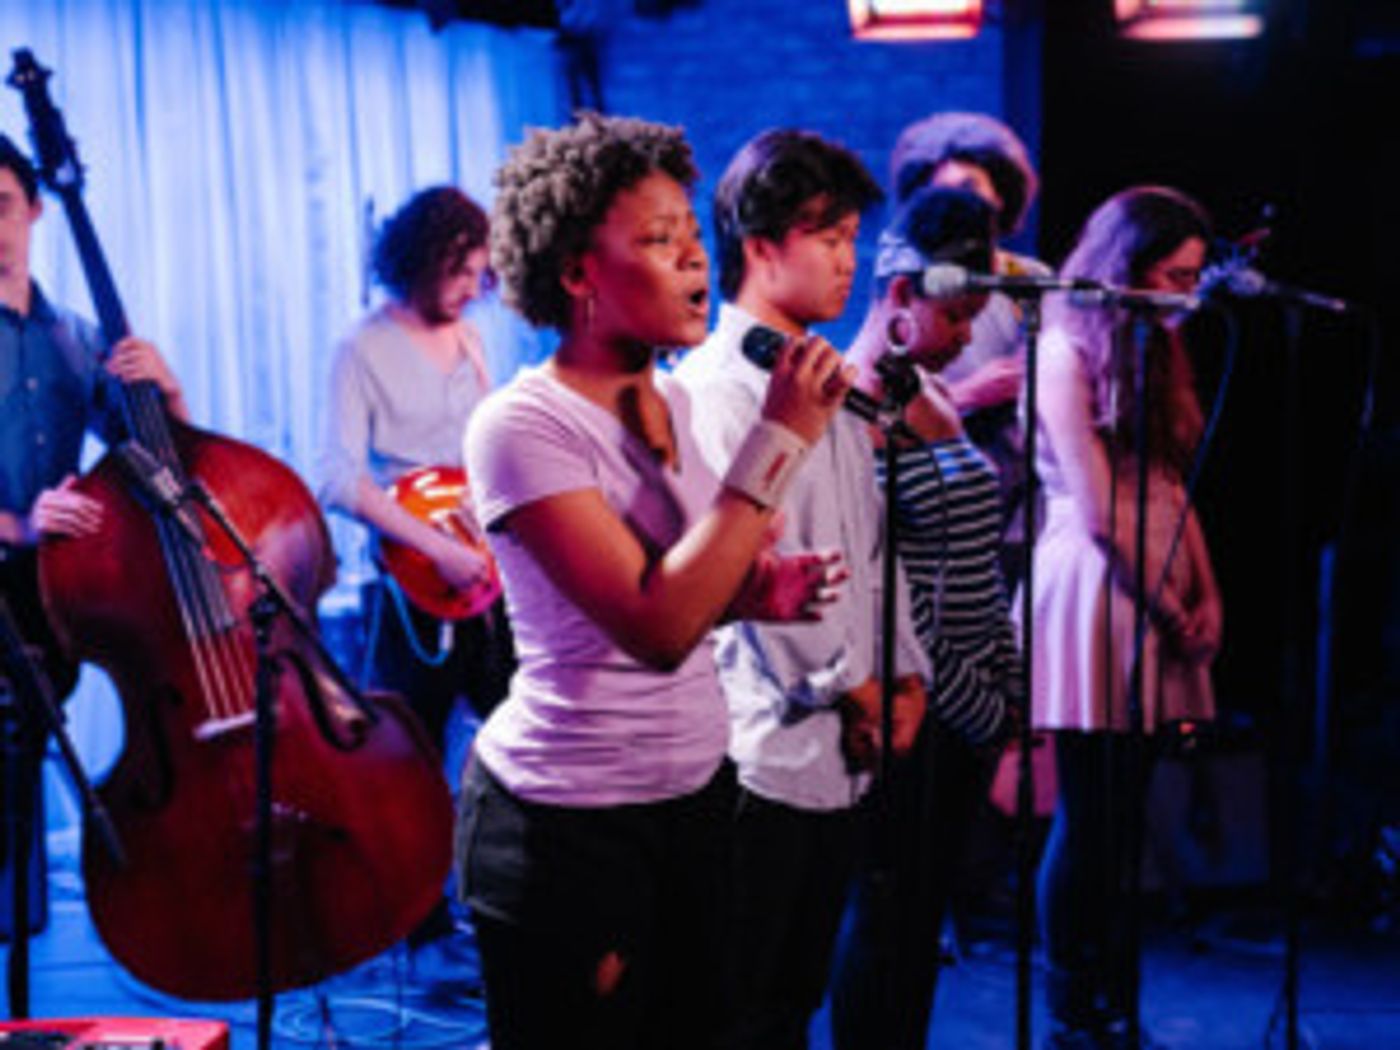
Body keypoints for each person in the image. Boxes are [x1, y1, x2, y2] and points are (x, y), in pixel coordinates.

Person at [456, 111, 850, 1050]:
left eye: (689, 236)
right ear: (578, 271)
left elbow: (681, 587)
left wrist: (751, 596)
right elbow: (655, 623)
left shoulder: (669, 396)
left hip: (692, 799)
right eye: (657, 240)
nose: (692, 262)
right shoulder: (521, 425)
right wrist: (780, 437)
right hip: (568, 826)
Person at [673, 128, 929, 1050]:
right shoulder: (714, 387)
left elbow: (867, 542)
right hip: (759, 746)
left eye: (853, 238)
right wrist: (853, 687)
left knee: (798, 995)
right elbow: (750, 574)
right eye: (827, 237)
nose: (846, 261)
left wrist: (906, 679)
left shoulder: (832, 379)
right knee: (743, 1008)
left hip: (847, 740)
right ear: (760, 242)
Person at [1028, 186, 1223, 1049]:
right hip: (1101, 580)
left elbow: (1175, 481)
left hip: (1161, 572)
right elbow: (1103, 508)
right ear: (1125, 270)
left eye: (1193, 277)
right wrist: (1171, 606)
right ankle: (1076, 1000)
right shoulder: (1066, 349)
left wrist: (1207, 590)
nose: (1186, 294)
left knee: (1130, 804)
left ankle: (1117, 996)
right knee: (1092, 807)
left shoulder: (1159, 346)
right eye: (1172, 276)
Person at [829, 186, 1023, 1049]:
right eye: (958, 314)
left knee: (921, 918)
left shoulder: (935, 396)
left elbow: (973, 559)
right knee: (889, 911)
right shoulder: (848, 405)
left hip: (970, 699)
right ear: (902, 294)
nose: (965, 337)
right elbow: (878, 578)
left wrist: (1002, 684)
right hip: (914, 697)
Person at [318, 185, 517, 962]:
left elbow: (490, 444)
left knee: (513, 731)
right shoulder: (359, 347)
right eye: (461, 272)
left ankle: (500, 898)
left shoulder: (470, 338)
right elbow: (338, 478)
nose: (474, 289)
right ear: (421, 258)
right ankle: (417, 921)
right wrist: (435, 549)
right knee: (410, 758)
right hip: (410, 582)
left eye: (483, 273)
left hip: (486, 573)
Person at [1, 132, 188, 691]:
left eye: (3, 206)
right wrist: (22, 524)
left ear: (35, 210)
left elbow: (158, 462)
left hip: (51, 595)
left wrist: (170, 392)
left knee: (29, 759)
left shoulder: (81, 338)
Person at [889, 111, 1048, 580]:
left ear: (1002, 193)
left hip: (1022, 504)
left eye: (972, 186)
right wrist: (970, 394)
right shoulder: (909, 288)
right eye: (946, 191)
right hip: (936, 501)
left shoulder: (1031, 280)